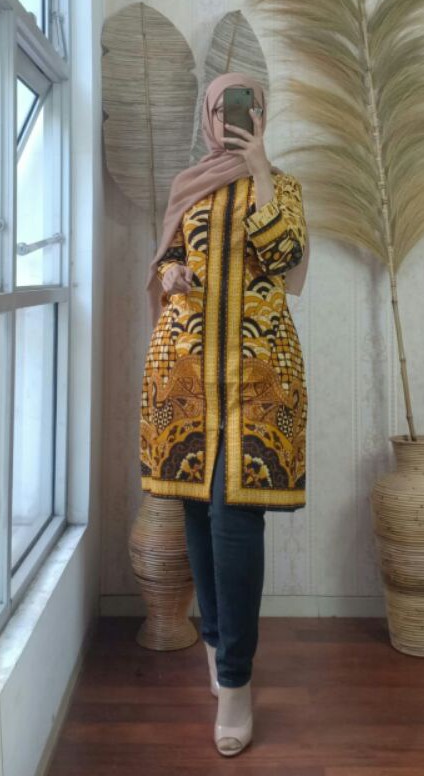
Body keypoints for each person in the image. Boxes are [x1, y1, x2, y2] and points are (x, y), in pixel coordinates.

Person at [139, 71, 310, 756]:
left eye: (249, 107)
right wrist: (170, 271)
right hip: (185, 371)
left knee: (235, 518)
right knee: (195, 512)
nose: (235, 117)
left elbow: (285, 254)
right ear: (207, 115)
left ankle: (235, 680)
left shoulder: (283, 187)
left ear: (261, 115)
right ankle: (214, 644)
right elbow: (171, 257)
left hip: (257, 376)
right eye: (224, 108)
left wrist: (261, 167)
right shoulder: (191, 184)